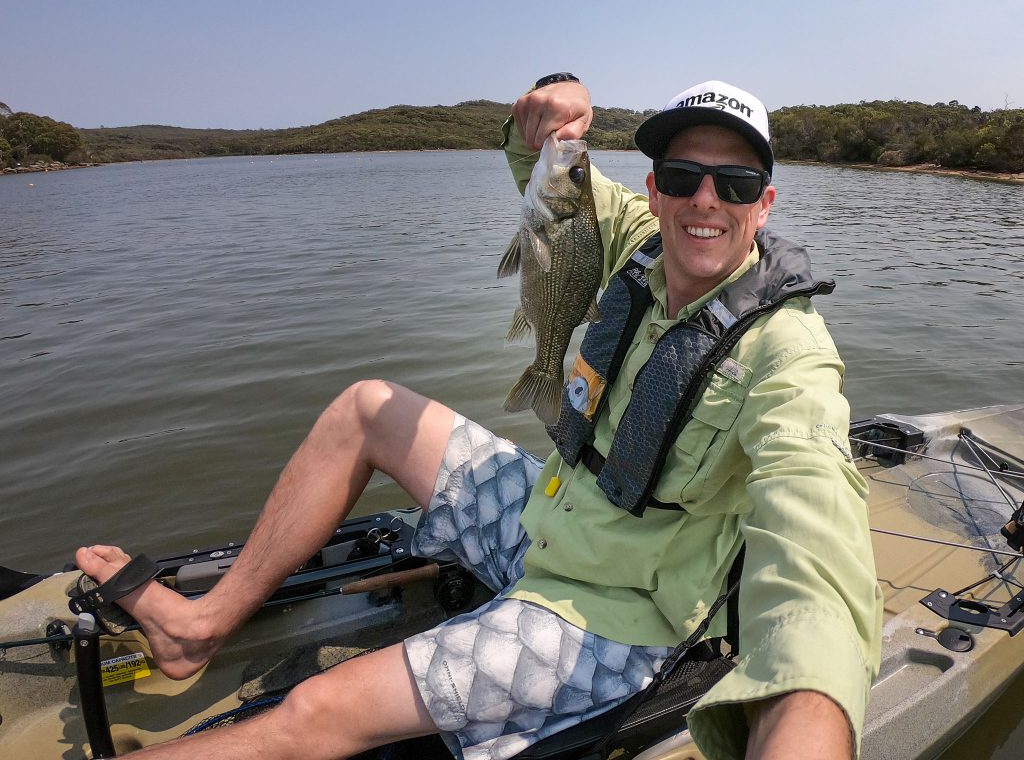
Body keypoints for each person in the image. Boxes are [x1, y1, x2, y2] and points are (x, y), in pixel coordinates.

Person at [75, 75, 882, 760]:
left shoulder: (790, 356)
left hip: (615, 616)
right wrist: (549, 106)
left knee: (313, 713)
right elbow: (549, 173)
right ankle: (200, 627)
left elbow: (817, 542)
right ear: (654, 190)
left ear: (765, 204)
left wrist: (808, 707)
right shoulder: (638, 241)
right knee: (368, 408)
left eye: (735, 184)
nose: (706, 200)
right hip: (551, 515)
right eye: (682, 176)